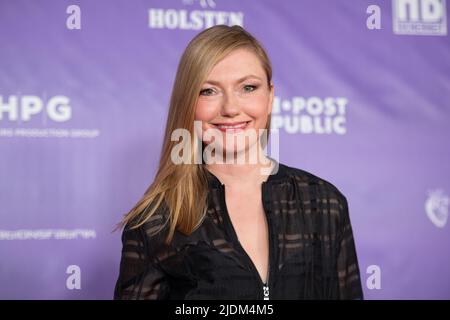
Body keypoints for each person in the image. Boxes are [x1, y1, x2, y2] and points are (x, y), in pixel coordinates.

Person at [113, 25, 363, 300]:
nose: (231, 108)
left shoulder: (325, 203)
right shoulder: (156, 221)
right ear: (187, 103)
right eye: (209, 91)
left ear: (270, 98)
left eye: (248, 87)